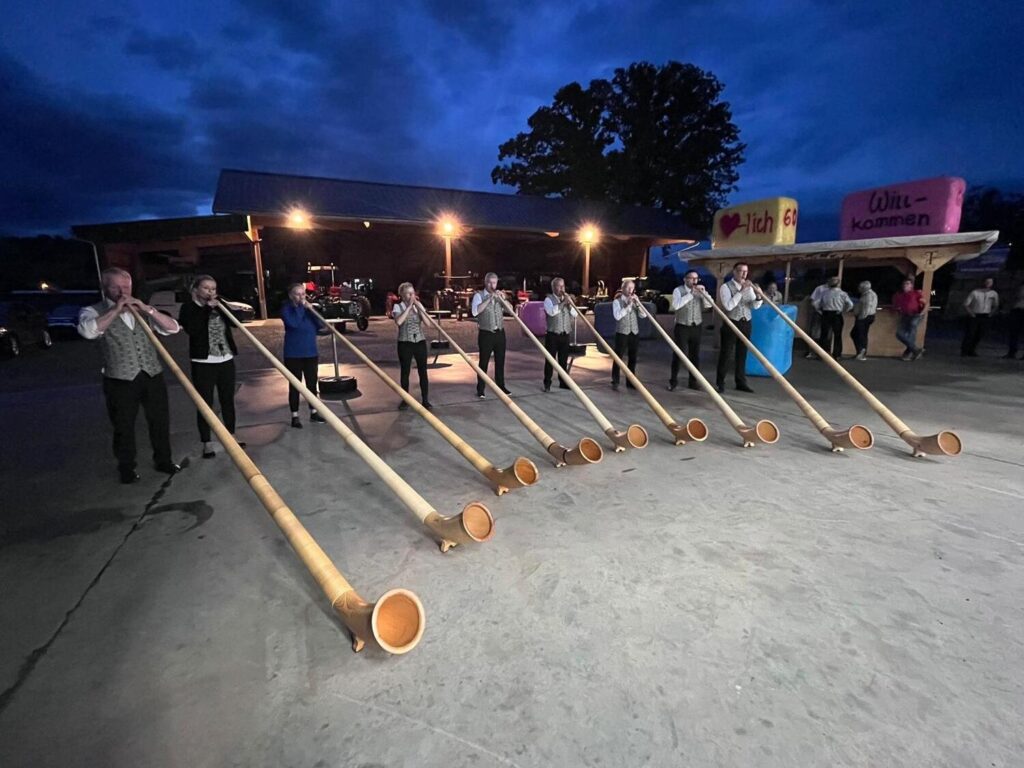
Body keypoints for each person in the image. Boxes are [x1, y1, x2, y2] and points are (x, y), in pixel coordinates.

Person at [77, 267, 182, 484]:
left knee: (160, 421)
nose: (122, 292)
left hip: (151, 374)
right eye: (116, 287)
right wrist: (116, 309)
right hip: (120, 379)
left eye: (126, 287)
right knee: (123, 426)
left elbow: (173, 328)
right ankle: (126, 468)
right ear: (105, 288)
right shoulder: (93, 311)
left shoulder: (142, 310)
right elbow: (88, 331)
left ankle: (164, 460)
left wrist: (147, 309)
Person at [178, 275, 244, 458]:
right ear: (196, 290)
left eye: (213, 289)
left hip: (225, 358)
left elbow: (236, 322)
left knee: (227, 399)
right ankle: (206, 442)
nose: (210, 292)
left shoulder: (218, 306)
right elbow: (193, 329)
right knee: (205, 403)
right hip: (204, 362)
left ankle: (231, 435)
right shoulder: (188, 308)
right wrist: (207, 308)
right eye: (206, 288)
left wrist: (224, 307)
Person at [281, 283, 328, 427]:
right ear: (291, 296)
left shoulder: (308, 309)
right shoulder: (287, 309)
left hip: (310, 353)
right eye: (298, 294)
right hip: (293, 354)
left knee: (312, 384)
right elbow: (293, 323)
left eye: (303, 294)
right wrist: (302, 308)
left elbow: (321, 324)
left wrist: (312, 310)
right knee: (295, 386)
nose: (301, 297)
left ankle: (313, 412)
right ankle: (295, 416)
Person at [715, 262, 762, 393]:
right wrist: (741, 291)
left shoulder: (749, 287)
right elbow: (728, 306)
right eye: (741, 271)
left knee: (742, 354)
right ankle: (720, 383)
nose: (744, 274)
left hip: (746, 322)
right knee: (726, 354)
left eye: (746, 271)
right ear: (734, 272)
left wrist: (758, 296)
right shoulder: (725, 287)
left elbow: (754, 306)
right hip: (731, 322)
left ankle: (741, 382)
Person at [668, 270, 713, 391]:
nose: (694, 281)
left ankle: (693, 382)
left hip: (696, 326)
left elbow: (709, 305)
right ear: (685, 279)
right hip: (682, 326)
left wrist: (704, 294)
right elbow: (676, 306)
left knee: (695, 356)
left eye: (696, 278)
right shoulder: (678, 290)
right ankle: (673, 381)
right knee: (679, 354)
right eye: (692, 278)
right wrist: (691, 294)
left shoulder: (700, 291)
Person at [392, 282, 432, 410]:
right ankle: (405, 399)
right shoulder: (398, 307)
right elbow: (399, 322)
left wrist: (420, 309)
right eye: (409, 294)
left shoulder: (418, 305)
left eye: (413, 293)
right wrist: (409, 307)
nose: (412, 296)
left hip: (419, 341)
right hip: (405, 343)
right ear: (402, 295)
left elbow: (428, 324)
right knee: (405, 372)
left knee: (423, 371)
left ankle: (425, 400)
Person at [470, 272, 510, 398]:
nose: (493, 285)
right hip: (486, 333)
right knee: (484, 362)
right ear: (485, 283)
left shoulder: (499, 296)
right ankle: (480, 389)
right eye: (490, 283)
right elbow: (475, 312)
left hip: (500, 333)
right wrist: (489, 299)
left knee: (500, 361)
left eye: (495, 283)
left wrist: (503, 299)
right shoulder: (479, 296)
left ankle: (501, 385)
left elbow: (510, 310)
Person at [610, 279, 647, 390]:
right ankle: (615, 380)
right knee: (618, 357)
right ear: (623, 288)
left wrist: (638, 304)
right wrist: (628, 306)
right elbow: (617, 316)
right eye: (628, 287)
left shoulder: (636, 300)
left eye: (632, 288)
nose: (631, 290)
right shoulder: (617, 302)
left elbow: (644, 315)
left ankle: (630, 381)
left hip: (634, 332)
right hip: (622, 333)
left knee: (633, 358)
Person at [542, 277, 577, 391]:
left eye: (563, 286)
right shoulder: (548, 300)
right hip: (553, 334)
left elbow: (575, 314)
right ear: (553, 287)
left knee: (563, 360)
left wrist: (570, 304)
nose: (562, 288)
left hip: (565, 334)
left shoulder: (566, 299)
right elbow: (552, 312)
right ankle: (547, 383)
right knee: (550, 360)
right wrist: (563, 303)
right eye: (559, 286)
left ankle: (563, 382)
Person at [813, 277, 854, 360]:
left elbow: (815, 303)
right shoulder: (843, 294)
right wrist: (844, 310)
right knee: (837, 335)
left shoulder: (824, 293)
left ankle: (822, 354)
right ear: (838, 284)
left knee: (824, 335)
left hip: (826, 313)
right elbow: (850, 304)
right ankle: (837, 354)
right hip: (837, 314)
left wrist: (820, 311)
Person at [961, 277, 999, 357]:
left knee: (980, 334)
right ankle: (964, 350)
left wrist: (991, 313)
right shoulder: (975, 292)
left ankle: (972, 350)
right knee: (970, 333)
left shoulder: (993, 293)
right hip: (975, 315)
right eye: (987, 281)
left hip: (985, 315)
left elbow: (996, 305)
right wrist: (971, 313)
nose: (988, 283)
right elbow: (966, 304)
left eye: (990, 282)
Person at [893, 277, 926, 361]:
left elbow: (926, 303)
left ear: (911, 286)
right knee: (899, 334)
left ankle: (909, 352)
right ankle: (915, 349)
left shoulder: (916, 293)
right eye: (904, 284)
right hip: (905, 315)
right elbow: (896, 306)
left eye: (907, 284)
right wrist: (898, 310)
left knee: (912, 325)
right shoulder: (899, 295)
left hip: (916, 314)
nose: (905, 285)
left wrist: (922, 312)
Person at [850, 280, 878, 361]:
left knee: (859, 334)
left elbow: (867, 308)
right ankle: (860, 352)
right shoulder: (866, 294)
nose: (858, 288)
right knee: (861, 334)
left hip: (864, 317)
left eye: (860, 287)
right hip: (866, 316)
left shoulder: (869, 295)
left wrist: (861, 318)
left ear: (864, 288)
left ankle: (861, 351)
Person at [804, 280, 830, 359]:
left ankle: (823, 353)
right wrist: (818, 310)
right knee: (814, 332)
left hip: (828, 313)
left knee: (825, 333)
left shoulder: (834, 290)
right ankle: (811, 351)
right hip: (818, 312)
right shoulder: (820, 288)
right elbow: (813, 301)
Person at [1003, 284, 1024, 359]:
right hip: (1017, 310)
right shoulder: (1020, 287)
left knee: (1015, 333)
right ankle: (1012, 352)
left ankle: (1012, 352)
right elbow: (1015, 297)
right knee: (1014, 332)